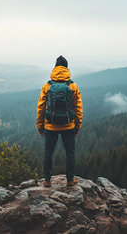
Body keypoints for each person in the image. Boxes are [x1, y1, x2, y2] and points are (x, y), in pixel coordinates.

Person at [37, 55, 83, 187]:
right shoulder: (73, 86)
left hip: (50, 126)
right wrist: (77, 126)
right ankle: (70, 180)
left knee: (48, 153)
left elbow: (40, 107)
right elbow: (78, 108)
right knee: (70, 153)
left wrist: (40, 126)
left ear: (55, 68)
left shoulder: (47, 86)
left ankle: (47, 180)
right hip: (68, 126)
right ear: (66, 68)